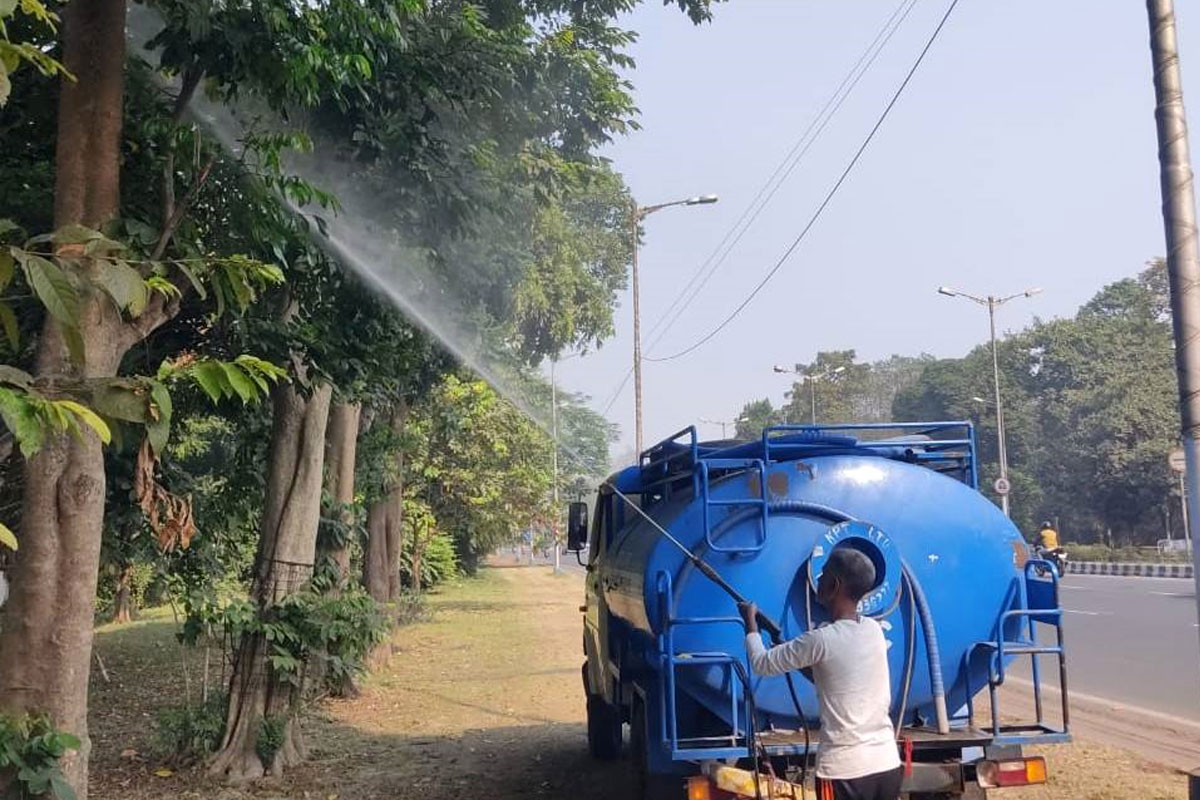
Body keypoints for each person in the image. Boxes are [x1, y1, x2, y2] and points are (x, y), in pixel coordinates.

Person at [738, 547, 902, 800]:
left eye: (823, 573)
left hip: (844, 770)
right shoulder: (873, 631)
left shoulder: (820, 640)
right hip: (886, 764)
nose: (818, 579)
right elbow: (831, 675)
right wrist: (797, 656)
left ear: (834, 585)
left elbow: (761, 663)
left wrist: (750, 623)